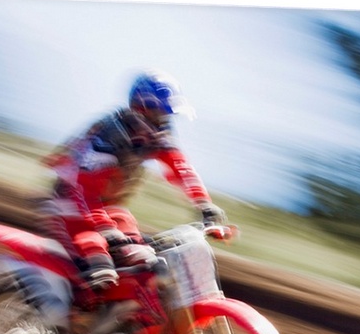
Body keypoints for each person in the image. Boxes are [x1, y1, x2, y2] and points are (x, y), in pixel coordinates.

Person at [39, 69, 227, 289]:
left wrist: (204, 204)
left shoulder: (155, 137)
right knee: (98, 261)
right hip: (68, 207)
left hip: (107, 210)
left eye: (168, 116)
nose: (165, 122)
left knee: (142, 255)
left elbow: (181, 169)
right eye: (161, 115)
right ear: (142, 110)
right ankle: (70, 316)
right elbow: (83, 190)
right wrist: (105, 229)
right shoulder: (109, 137)